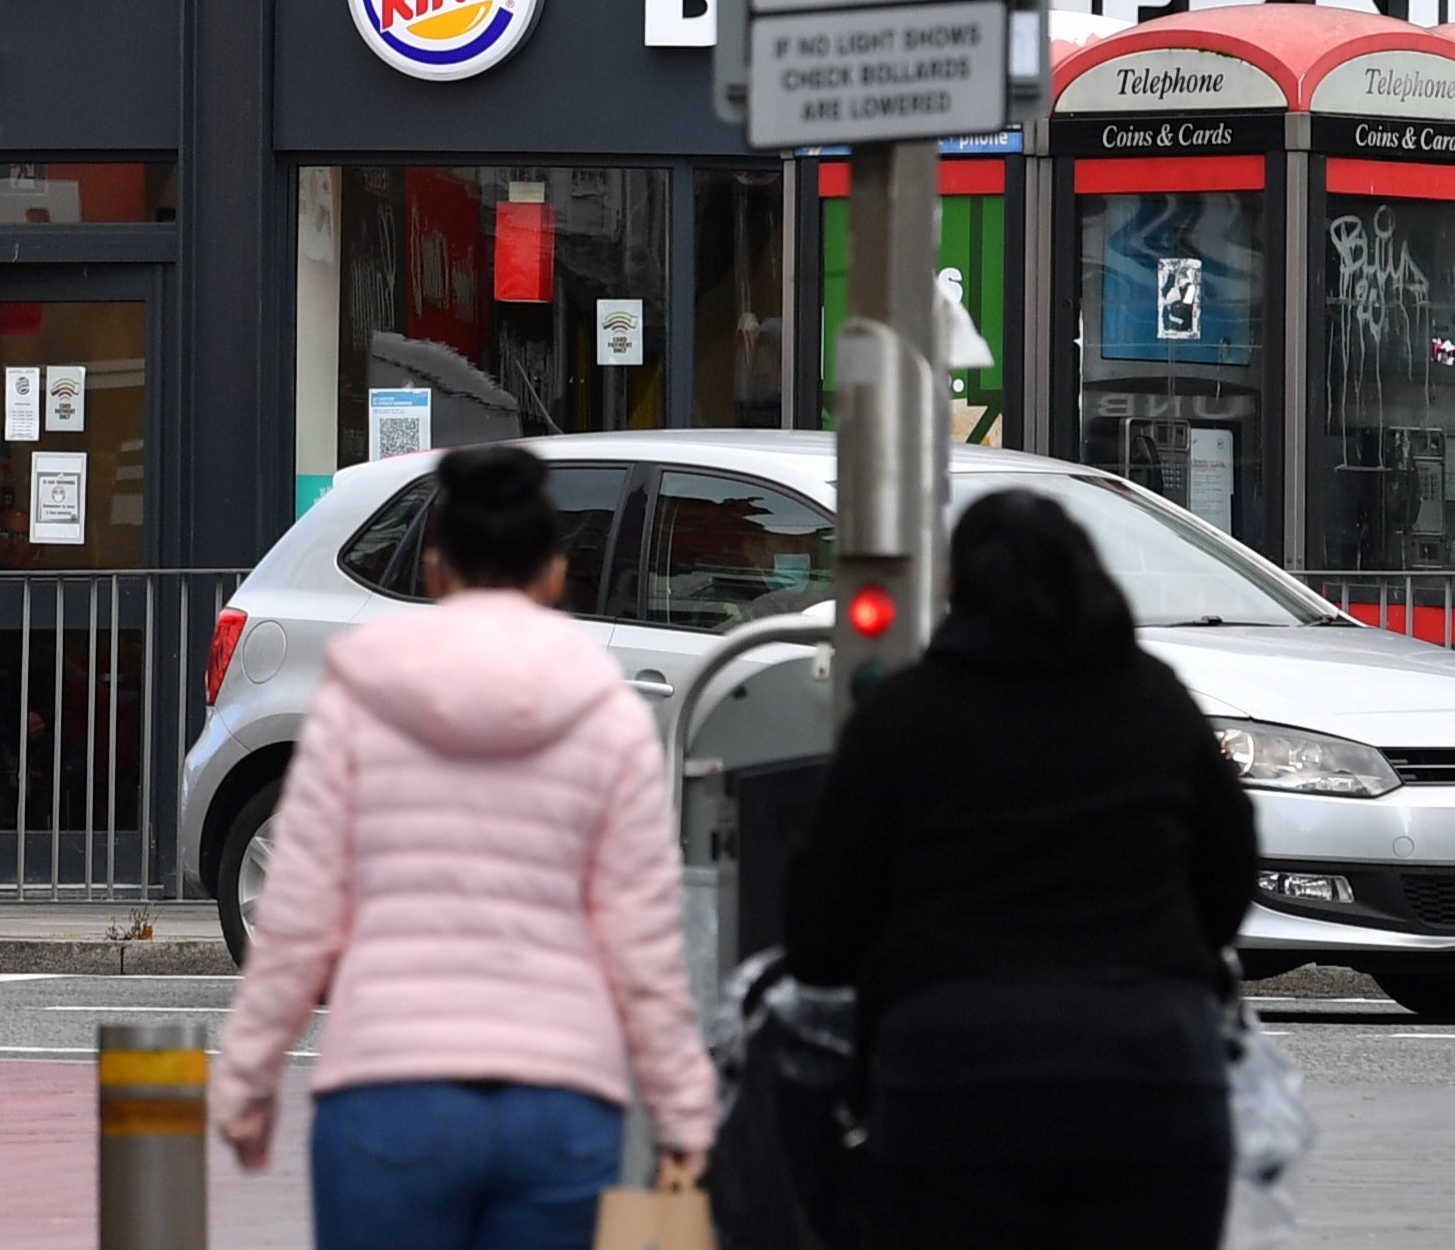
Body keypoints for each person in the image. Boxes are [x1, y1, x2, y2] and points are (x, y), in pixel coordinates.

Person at [211, 440, 715, 1250]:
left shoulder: (359, 696)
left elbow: (300, 911)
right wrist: (684, 1105)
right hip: (560, 1102)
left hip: (386, 1096)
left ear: (436, 569)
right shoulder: (608, 713)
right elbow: (643, 941)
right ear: (555, 574)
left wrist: (247, 1076)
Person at [784, 487, 1259, 1250]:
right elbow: (1230, 870)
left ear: (956, 587)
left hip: (952, 1077)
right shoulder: (1155, 704)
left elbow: (820, 924)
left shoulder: (904, 716)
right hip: (1151, 1071)